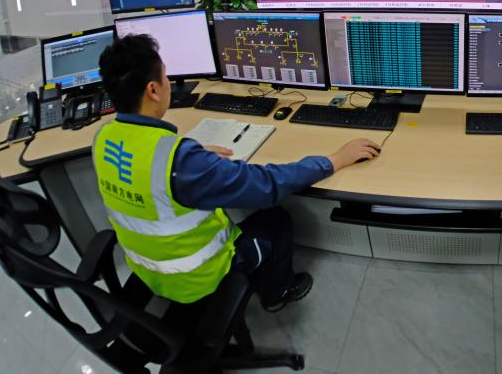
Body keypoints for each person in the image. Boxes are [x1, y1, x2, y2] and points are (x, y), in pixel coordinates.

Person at [92, 33, 380, 310]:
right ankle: (277, 294)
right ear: (153, 90)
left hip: (147, 269)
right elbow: (268, 185)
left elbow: (146, 170)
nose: (169, 83)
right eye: (165, 77)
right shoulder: (181, 163)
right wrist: (335, 159)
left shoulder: (103, 138)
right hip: (199, 278)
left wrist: (194, 158)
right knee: (276, 220)